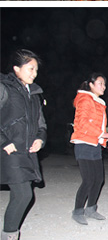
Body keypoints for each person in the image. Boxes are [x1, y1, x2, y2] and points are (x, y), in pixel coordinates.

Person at [1, 50, 47, 240]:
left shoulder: (34, 94)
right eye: (30, 69)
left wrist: (40, 139)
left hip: (28, 152)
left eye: (36, 70)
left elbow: (41, 124)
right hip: (10, 151)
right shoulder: (4, 88)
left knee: (19, 195)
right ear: (16, 69)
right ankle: (9, 235)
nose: (34, 73)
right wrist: (4, 141)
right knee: (23, 195)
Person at [70, 73, 108, 225]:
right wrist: (102, 134)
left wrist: (105, 137)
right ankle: (77, 211)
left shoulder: (98, 102)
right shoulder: (85, 99)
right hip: (83, 143)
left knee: (98, 179)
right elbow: (83, 123)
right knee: (88, 180)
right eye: (100, 83)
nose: (103, 87)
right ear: (91, 84)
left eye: (104, 84)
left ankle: (91, 209)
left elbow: (97, 125)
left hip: (95, 143)